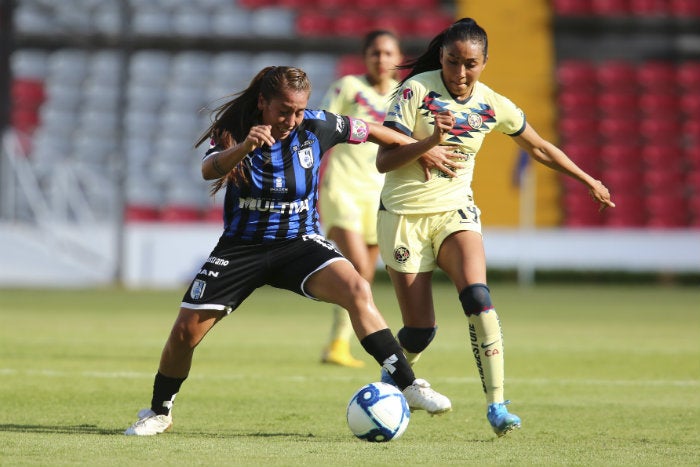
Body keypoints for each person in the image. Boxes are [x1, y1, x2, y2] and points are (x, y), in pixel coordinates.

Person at [124, 66, 454, 436]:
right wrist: (245, 146)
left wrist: (419, 149)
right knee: (185, 333)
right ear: (263, 103)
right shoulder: (236, 130)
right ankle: (159, 412)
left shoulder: (316, 126)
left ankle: (409, 386)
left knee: (357, 290)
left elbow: (372, 130)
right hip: (242, 248)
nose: (291, 120)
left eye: (298, 111)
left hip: (299, 243)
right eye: (284, 111)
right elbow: (208, 169)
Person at [373, 18, 616, 437]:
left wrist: (588, 180)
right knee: (420, 330)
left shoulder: (492, 104)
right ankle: (386, 388)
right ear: (442, 58)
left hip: (455, 212)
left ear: (485, 62)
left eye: (470, 64)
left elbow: (539, 147)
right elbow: (384, 160)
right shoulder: (416, 91)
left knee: (478, 296)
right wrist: (428, 146)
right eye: (452, 62)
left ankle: (498, 404)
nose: (460, 73)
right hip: (403, 217)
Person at [318, 30, 404, 368]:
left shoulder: (404, 96)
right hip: (342, 188)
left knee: (363, 274)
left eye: (387, 53)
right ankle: (345, 342)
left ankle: (338, 343)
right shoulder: (348, 87)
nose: (381, 59)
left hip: (379, 193)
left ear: (398, 58)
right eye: (375, 53)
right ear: (365, 56)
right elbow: (321, 125)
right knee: (359, 269)